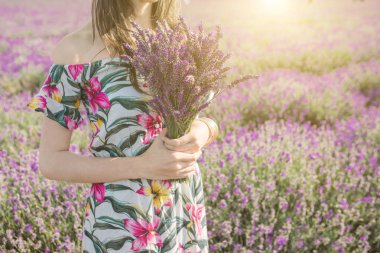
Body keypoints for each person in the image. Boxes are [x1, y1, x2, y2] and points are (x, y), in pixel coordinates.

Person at [26, 0, 219, 252]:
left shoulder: (181, 39)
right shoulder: (77, 50)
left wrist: (204, 130)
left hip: (182, 212)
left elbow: (205, 120)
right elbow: (51, 162)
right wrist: (142, 165)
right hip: (123, 221)